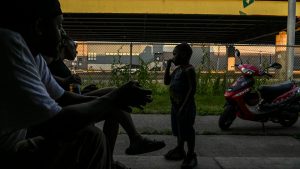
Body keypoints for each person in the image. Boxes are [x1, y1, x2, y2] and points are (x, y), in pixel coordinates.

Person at [0, 0, 165, 169]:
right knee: (90, 137)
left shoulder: (32, 55)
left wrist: (112, 99)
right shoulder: (10, 46)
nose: (64, 34)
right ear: (39, 27)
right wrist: (112, 100)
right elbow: (56, 122)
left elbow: (63, 97)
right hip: (11, 148)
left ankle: (118, 153)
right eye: (59, 26)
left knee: (96, 124)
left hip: (22, 134)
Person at [163, 43, 197, 169]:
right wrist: (167, 67)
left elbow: (192, 89)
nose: (173, 57)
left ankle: (191, 154)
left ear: (183, 55)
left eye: (174, 54)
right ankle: (180, 149)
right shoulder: (178, 69)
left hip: (185, 107)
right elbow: (167, 82)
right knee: (178, 129)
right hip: (176, 106)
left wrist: (184, 107)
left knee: (187, 130)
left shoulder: (189, 69)